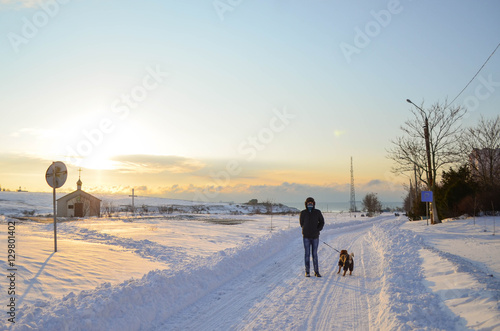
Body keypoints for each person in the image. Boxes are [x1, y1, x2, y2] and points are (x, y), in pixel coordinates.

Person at [300, 197, 325, 277]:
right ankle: (307, 272)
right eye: (308, 203)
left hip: (315, 237)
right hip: (306, 237)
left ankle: (316, 271)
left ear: (314, 204)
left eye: (311, 203)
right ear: (306, 204)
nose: (310, 204)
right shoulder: (303, 213)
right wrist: (305, 229)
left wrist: (317, 229)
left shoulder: (317, 212)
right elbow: (301, 223)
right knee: (307, 254)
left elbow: (322, 222)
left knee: (314, 254)